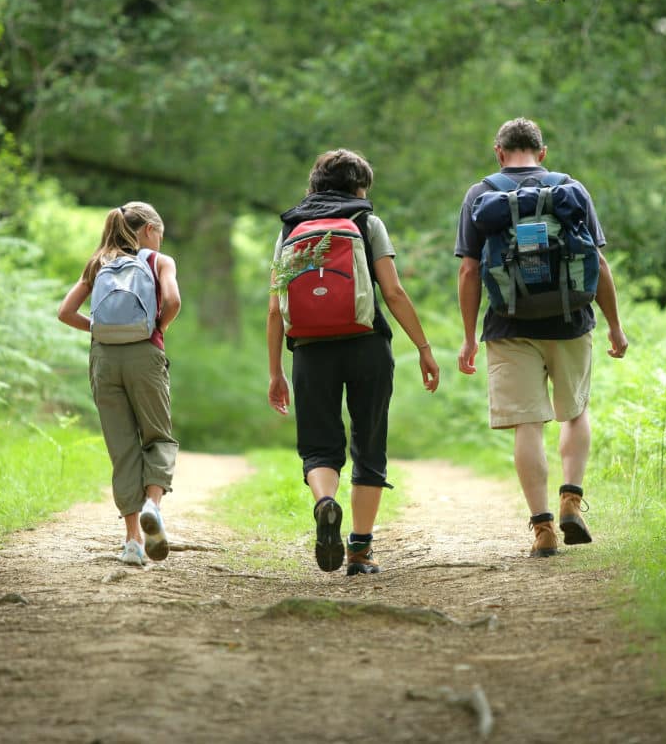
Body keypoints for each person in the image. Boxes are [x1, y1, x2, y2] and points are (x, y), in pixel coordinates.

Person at [455, 118, 628, 557]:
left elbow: (470, 270)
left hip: (509, 326)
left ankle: (543, 529)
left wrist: (469, 336)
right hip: (570, 321)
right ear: (542, 152)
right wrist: (614, 325)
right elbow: (598, 263)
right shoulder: (570, 189)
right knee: (575, 411)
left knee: (528, 425)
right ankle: (571, 499)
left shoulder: (481, 195)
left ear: (498, 151)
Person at [267, 149, 440, 576]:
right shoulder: (367, 222)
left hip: (309, 349)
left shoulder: (292, 227)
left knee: (319, 444)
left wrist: (275, 371)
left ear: (315, 183)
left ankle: (325, 502)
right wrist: (423, 347)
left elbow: (275, 308)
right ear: (360, 187)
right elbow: (394, 292)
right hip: (367, 345)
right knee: (369, 441)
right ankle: (359, 551)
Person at [58, 202, 181, 566]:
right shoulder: (158, 261)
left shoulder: (98, 263)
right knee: (158, 437)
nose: (160, 240)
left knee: (122, 448)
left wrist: (98, 329)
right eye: (158, 234)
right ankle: (152, 506)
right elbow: (172, 300)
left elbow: (65, 312)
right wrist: (158, 327)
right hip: (144, 354)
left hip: (104, 360)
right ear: (148, 231)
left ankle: (132, 543)